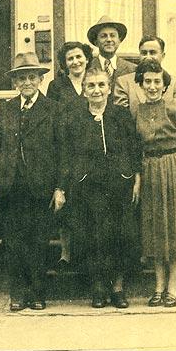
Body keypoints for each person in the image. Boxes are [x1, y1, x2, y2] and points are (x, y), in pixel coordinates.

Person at [0, 52, 65, 311]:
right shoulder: (6, 109)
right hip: (11, 188)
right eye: (21, 78)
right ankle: (17, 294)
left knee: (38, 243)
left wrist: (59, 187)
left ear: (40, 80)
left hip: (40, 188)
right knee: (15, 243)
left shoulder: (53, 109)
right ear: (15, 83)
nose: (27, 82)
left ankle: (37, 293)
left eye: (32, 77)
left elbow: (62, 151)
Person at [55, 67, 141, 308]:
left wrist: (136, 179)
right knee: (92, 237)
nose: (96, 90)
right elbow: (67, 154)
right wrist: (62, 186)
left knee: (120, 236)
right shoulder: (74, 118)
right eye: (91, 85)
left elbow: (134, 150)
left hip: (119, 185)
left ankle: (118, 288)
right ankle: (98, 287)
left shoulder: (121, 115)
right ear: (84, 90)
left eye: (101, 85)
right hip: (87, 187)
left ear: (109, 88)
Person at [134, 59, 176, 307]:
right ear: (140, 84)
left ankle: (172, 287)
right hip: (150, 170)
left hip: (174, 169)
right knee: (155, 230)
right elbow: (137, 148)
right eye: (147, 81)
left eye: (157, 81)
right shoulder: (138, 111)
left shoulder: (175, 108)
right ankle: (158, 286)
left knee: (174, 230)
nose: (152, 86)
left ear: (164, 85)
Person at [46, 42, 93, 270]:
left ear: (86, 58)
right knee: (67, 201)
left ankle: (86, 254)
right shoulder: (57, 86)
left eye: (78, 57)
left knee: (87, 203)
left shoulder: (94, 80)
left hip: (89, 149)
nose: (75, 62)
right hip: (65, 148)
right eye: (70, 59)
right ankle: (65, 254)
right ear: (64, 64)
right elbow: (52, 116)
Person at [114, 35, 176, 118]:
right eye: (144, 53)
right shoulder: (124, 83)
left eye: (153, 53)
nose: (148, 57)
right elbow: (122, 119)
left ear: (163, 56)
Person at [87, 16, 136, 95]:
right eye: (103, 36)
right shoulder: (87, 68)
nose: (109, 40)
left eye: (112, 35)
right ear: (96, 42)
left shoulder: (132, 70)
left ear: (119, 40)